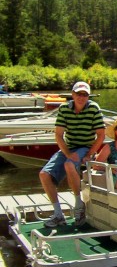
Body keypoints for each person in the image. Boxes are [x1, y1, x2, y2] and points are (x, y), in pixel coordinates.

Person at [39, 81, 105, 228]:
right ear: (73, 95)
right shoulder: (64, 109)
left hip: (85, 146)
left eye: (85, 94)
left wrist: (89, 154)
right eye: (78, 94)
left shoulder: (94, 108)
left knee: (69, 165)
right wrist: (67, 152)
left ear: (88, 96)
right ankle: (58, 214)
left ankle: (78, 205)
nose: (81, 97)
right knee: (44, 174)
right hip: (69, 147)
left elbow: (101, 135)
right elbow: (58, 135)